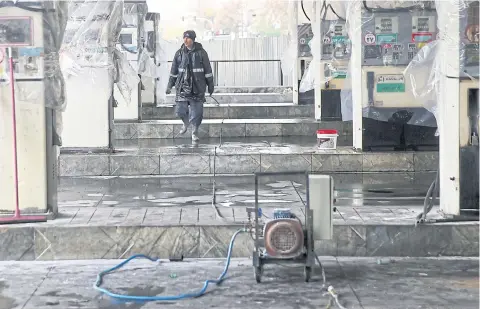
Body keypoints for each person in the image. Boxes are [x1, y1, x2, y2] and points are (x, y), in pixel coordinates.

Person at [166, 30, 214, 142]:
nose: (185, 40)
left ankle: (194, 131)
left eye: (188, 38)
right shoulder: (179, 53)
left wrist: (210, 85)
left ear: (193, 39)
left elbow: (208, 71)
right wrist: (169, 85)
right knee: (180, 111)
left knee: (197, 112)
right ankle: (186, 123)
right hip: (182, 87)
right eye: (184, 38)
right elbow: (174, 71)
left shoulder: (202, 53)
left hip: (197, 87)